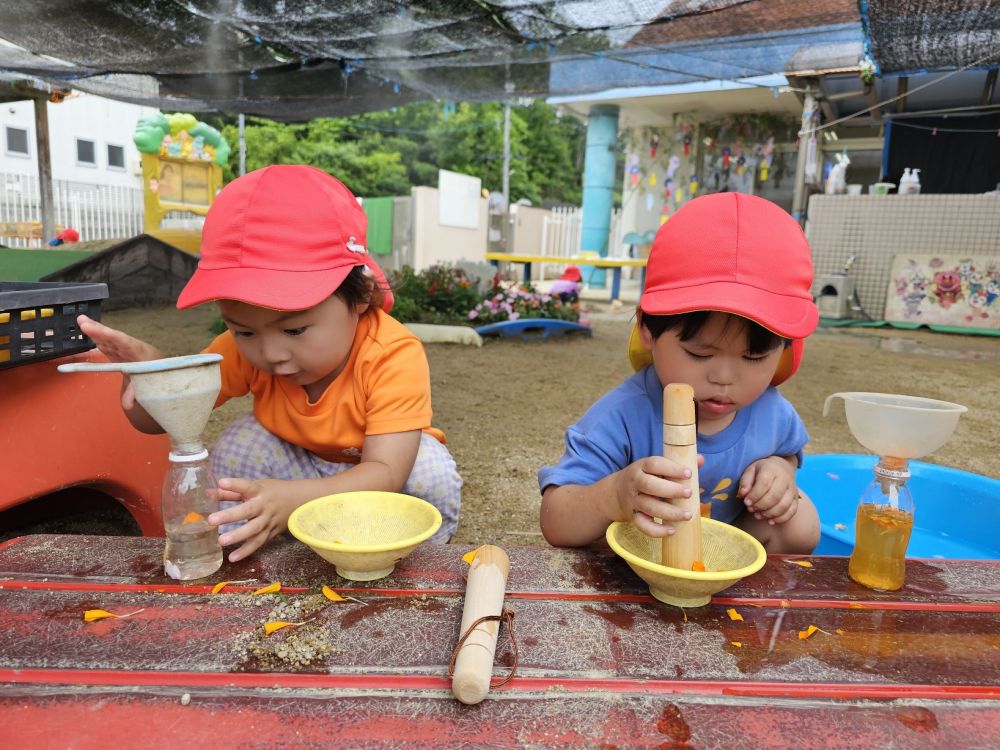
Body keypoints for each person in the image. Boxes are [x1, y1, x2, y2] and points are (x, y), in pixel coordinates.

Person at [79, 165, 462, 562]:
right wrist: (153, 376)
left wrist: (292, 499)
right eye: (244, 332)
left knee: (428, 472)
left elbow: (386, 472)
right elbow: (154, 423)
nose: (271, 353)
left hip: (374, 479)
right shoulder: (240, 348)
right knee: (237, 448)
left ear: (360, 295)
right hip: (292, 464)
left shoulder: (391, 352)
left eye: (294, 330)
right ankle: (255, 555)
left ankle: (415, 565)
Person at [538, 192, 820, 554]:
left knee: (801, 521)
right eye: (699, 353)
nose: (724, 377)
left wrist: (780, 471)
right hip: (638, 563)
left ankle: (753, 603)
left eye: (753, 357)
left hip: (723, 559)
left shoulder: (771, 412)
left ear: (783, 349)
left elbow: (789, 452)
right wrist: (612, 496)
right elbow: (555, 520)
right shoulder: (623, 416)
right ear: (647, 330)